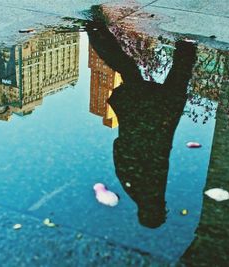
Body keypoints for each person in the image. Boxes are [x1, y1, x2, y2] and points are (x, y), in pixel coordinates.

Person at [87, 19, 197, 228]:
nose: (164, 207)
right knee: (131, 71)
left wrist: (140, 134)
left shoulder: (145, 191)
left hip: (152, 121)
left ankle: (187, 46)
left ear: (153, 212)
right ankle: (96, 32)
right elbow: (120, 151)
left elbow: (132, 154)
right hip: (144, 121)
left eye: (161, 211)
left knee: (168, 79)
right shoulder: (138, 190)